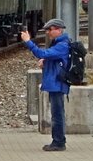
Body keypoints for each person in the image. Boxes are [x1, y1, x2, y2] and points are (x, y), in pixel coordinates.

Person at [19, 18, 71, 151]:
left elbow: (42, 53)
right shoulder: (59, 43)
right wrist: (46, 61)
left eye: (50, 29)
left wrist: (28, 41)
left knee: (57, 114)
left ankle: (58, 143)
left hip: (57, 84)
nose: (48, 32)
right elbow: (52, 59)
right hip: (55, 83)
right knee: (56, 113)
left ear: (59, 30)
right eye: (47, 30)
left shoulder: (62, 45)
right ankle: (59, 140)